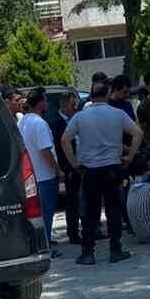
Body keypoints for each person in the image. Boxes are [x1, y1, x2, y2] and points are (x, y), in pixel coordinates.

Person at [61, 74, 142, 265]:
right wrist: (130, 156)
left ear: (91, 96)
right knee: (113, 210)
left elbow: (65, 139)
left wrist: (74, 163)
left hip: (90, 170)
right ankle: (115, 250)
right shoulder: (117, 114)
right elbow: (138, 133)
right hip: (113, 168)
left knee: (90, 213)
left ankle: (88, 253)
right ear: (107, 95)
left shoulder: (80, 117)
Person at [17, 86, 61, 256]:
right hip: (44, 176)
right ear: (40, 102)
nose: (47, 102)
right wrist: (57, 170)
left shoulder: (22, 122)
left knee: (35, 215)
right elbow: (45, 151)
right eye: (45, 99)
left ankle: (38, 245)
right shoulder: (40, 123)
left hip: (29, 176)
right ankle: (46, 247)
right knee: (46, 215)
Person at [55, 89, 82, 243]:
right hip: (68, 167)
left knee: (79, 200)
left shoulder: (75, 119)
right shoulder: (56, 123)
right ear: (65, 106)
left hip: (79, 164)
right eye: (73, 105)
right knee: (72, 202)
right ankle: (73, 233)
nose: (75, 107)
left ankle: (82, 229)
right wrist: (67, 167)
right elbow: (58, 148)